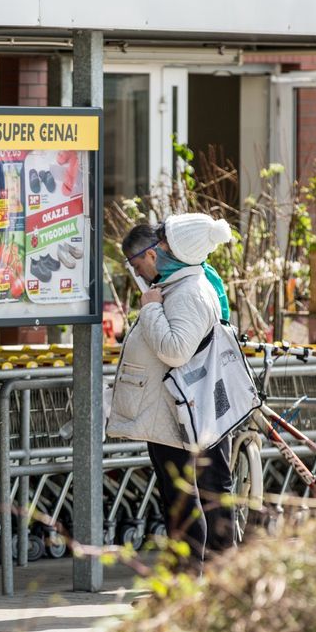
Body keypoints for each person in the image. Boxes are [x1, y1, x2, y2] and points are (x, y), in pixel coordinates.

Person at [106, 215, 234, 562]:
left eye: (161, 243)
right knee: (188, 496)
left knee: (186, 498)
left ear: (177, 250)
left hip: (182, 411)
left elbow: (175, 351)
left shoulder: (188, 293)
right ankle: (206, 582)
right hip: (180, 409)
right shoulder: (179, 287)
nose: (156, 249)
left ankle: (192, 583)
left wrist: (149, 311)